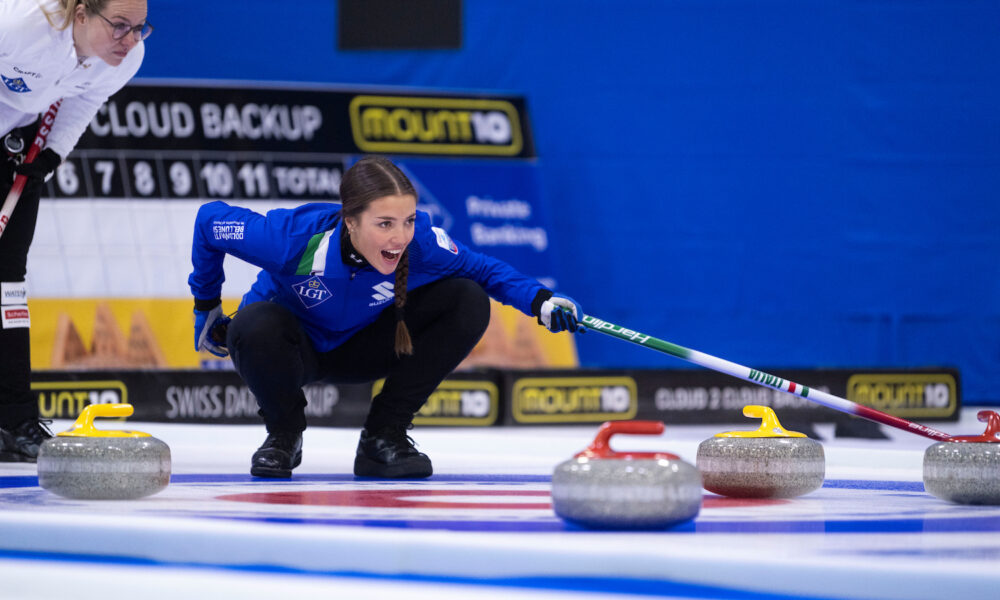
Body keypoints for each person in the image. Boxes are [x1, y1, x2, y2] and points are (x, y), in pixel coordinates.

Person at [190, 156, 584, 478]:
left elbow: (484, 270)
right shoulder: (290, 239)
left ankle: (383, 438)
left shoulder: (423, 245)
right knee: (253, 323)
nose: (400, 237)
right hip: (291, 352)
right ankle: (283, 437)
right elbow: (210, 220)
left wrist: (541, 301)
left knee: (467, 298)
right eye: (384, 224)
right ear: (350, 220)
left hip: (367, 347)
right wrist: (206, 306)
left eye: (408, 221)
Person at [0, 0, 150, 462]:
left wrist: (49, 157)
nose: (130, 41)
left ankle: (14, 417)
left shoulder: (127, 57)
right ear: (80, 15)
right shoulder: (17, 25)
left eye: (141, 29)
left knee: (7, 284)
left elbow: (85, 99)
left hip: (18, 145)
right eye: (120, 26)